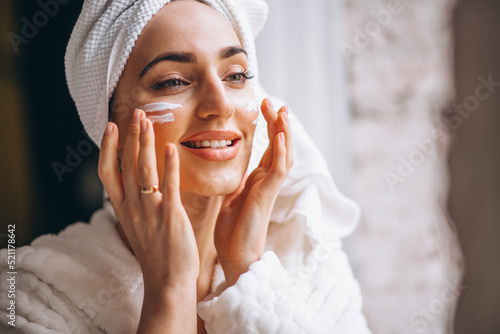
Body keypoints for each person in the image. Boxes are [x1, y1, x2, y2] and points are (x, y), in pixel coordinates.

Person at [0, 0, 371, 333]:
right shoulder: (31, 294)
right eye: (173, 81)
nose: (221, 104)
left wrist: (247, 274)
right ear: (110, 127)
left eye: (236, 75)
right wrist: (170, 288)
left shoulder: (312, 266)